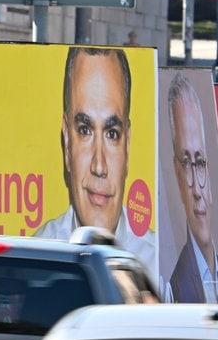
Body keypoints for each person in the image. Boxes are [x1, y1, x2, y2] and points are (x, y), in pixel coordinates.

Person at [33, 46, 156, 275]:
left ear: (127, 144)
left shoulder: (158, 266)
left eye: (112, 134)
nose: (99, 166)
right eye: (85, 130)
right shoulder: (40, 257)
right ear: (67, 143)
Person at [165, 75, 218, 304]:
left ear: (209, 170)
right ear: (177, 175)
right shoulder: (175, 289)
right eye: (187, 164)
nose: (197, 190)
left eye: (199, 162)